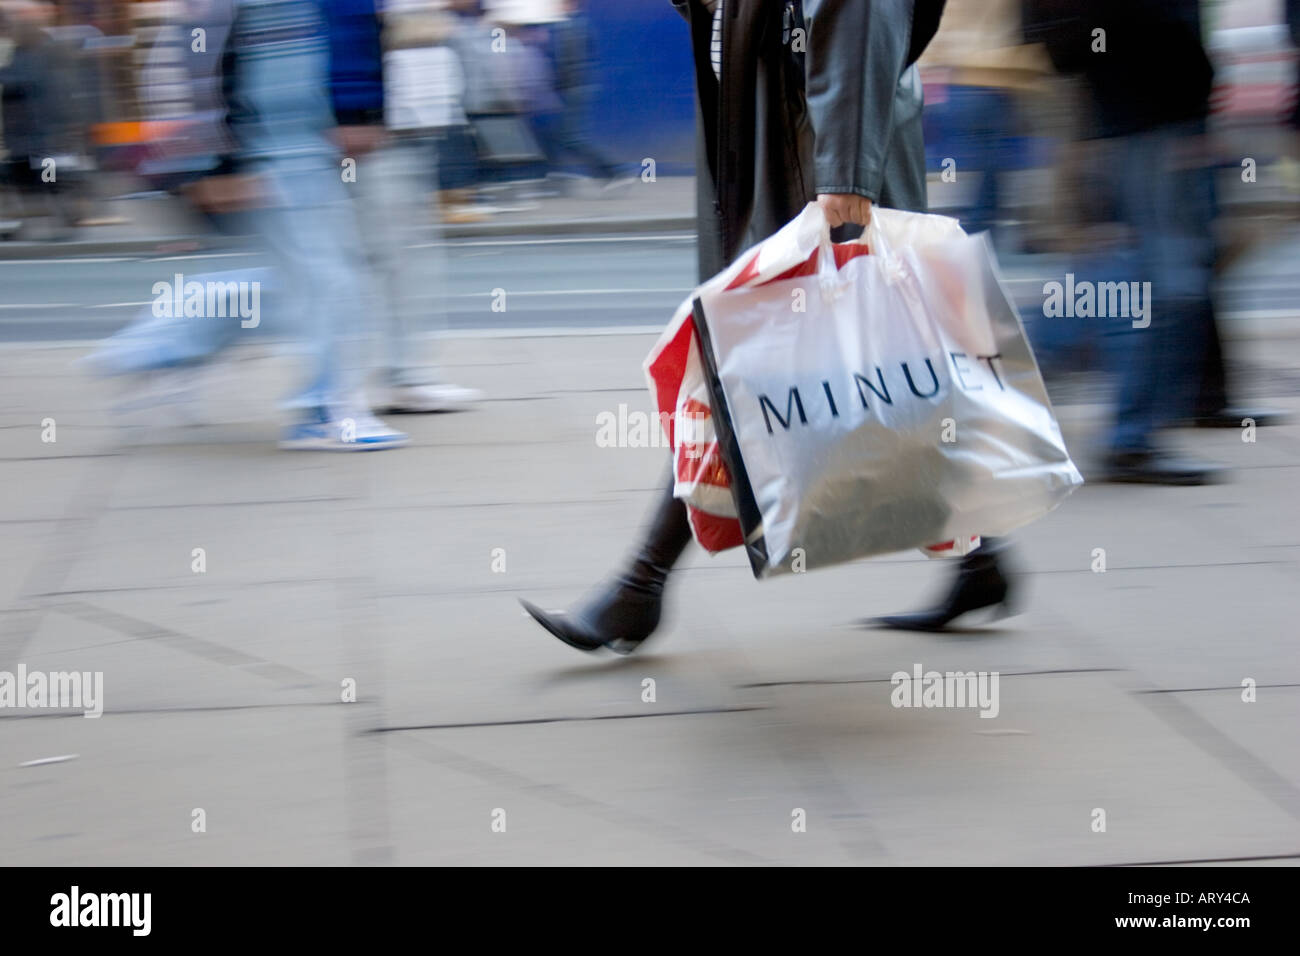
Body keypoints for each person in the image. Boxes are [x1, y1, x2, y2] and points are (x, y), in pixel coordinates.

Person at [520, 0, 1020, 654]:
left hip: (823, 167)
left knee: (756, 373)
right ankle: (982, 562)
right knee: (860, 379)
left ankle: (639, 588)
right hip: (779, 149)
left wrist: (846, 177)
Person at [1025, 0, 1283, 485]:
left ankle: (1016, 379)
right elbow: (1153, 19)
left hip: (1131, 106)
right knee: (1166, 276)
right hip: (1151, 110)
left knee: (1123, 265)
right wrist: (1191, 94)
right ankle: (1129, 438)